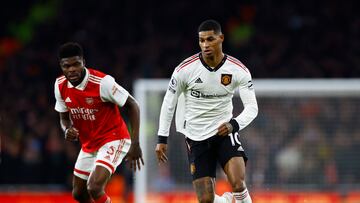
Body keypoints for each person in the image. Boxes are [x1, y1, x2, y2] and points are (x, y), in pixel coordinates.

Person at [155, 19, 258, 203]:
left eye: (210, 39)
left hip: (224, 131)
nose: (205, 45)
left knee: (238, 183)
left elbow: (252, 107)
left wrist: (233, 124)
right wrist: (162, 138)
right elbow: (168, 102)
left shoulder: (238, 70)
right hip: (196, 136)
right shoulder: (185, 70)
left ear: (221, 38)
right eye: (201, 40)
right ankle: (226, 201)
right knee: (206, 200)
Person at [54, 42, 144, 203]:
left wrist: (135, 143)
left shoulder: (102, 83)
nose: (72, 69)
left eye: (76, 64)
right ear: (61, 66)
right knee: (78, 194)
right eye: (67, 66)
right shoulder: (59, 86)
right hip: (89, 144)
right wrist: (66, 129)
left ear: (83, 62)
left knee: (94, 187)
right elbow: (64, 118)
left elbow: (133, 105)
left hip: (115, 139)